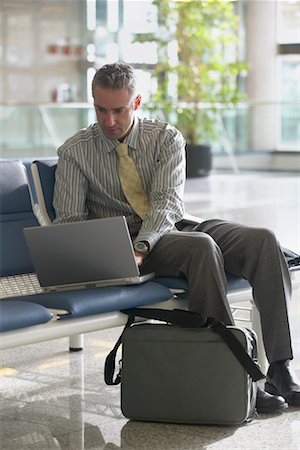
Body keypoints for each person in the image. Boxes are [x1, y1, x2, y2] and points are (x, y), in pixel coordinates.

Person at [53, 62, 300, 413]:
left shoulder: (165, 138)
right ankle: (235, 372)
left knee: (262, 239)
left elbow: (168, 203)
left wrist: (144, 245)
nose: (109, 121)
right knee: (200, 248)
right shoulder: (75, 152)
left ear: (136, 103)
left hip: (171, 228)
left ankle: (280, 367)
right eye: (100, 109)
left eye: (119, 110)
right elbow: (71, 225)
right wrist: (125, 250)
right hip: (121, 244)